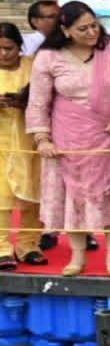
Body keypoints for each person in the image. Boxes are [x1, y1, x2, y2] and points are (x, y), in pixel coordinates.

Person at [27, 1, 110, 277]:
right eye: (83, 29)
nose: (93, 32)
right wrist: (42, 139)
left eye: (95, 25)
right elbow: (38, 102)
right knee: (74, 199)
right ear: (65, 30)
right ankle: (77, 257)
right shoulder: (48, 56)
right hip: (67, 139)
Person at [0, 23, 44, 269]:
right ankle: (2, 248)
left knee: (33, 196)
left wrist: (24, 100)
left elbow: (45, 96)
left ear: (19, 46)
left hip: (29, 142)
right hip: (1, 143)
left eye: (9, 48)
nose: (4, 54)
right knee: (1, 199)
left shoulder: (33, 65)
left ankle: (28, 245)